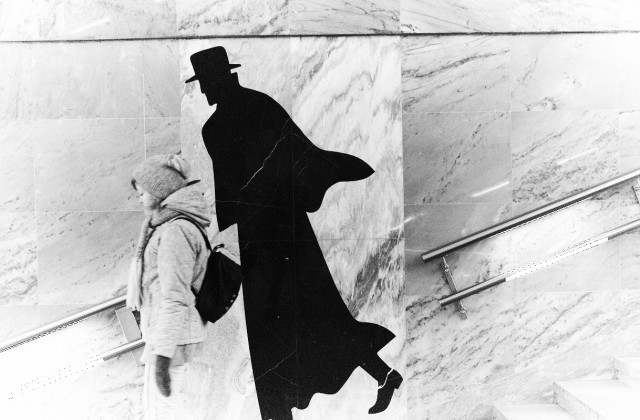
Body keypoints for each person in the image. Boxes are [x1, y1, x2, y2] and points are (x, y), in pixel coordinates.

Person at [186, 46, 402, 420]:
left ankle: (281, 411)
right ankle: (383, 374)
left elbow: (229, 195)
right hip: (288, 228)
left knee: (275, 329)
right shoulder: (259, 105)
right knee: (321, 314)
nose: (203, 91)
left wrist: (231, 238)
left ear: (219, 78)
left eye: (205, 82)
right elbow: (301, 155)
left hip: (261, 240)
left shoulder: (217, 128)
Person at [126, 154, 211, 420]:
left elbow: (176, 297)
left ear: (158, 190)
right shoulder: (165, 226)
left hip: (172, 343)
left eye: (142, 192)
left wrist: (162, 358)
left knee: (165, 413)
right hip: (169, 339)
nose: (139, 199)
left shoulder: (175, 231)